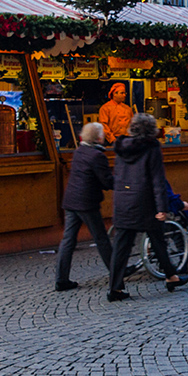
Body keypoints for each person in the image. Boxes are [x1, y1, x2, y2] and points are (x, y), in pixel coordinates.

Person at [108, 113, 188, 301]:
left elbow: (119, 175)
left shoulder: (121, 146)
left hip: (123, 200)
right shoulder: (151, 147)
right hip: (145, 201)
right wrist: (162, 208)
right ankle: (171, 276)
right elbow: (157, 179)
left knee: (121, 247)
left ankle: (115, 288)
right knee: (158, 240)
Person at [55, 123, 114, 292]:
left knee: (68, 240)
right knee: (101, 238)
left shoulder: (79, 151)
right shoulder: (97, 156)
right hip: (86, 202)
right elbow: (107, 181)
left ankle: (61, 279)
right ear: (99, 138)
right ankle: (116, 271)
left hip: (71, 200)